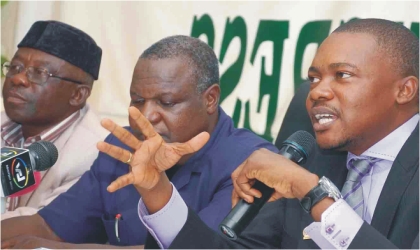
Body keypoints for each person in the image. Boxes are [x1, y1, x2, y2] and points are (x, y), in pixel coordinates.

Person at [64, 18, 417, 249]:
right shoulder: (313, 157)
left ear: (405, 90)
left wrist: (314, 195)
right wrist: (158, 191)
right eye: (313, 78)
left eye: (341, 75)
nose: (318, 91)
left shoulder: (305, 178)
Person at [0, 35, 279, 248]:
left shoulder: (253, 163)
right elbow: (48, 226)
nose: (146, 117)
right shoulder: (122, 146)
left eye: (166, 103)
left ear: (210, 99)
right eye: (137, 100)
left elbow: (197, 247)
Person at [1, 20, 108, 219]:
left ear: (77, 95)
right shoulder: (5, 125)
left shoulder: (96, 154)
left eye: (40, 73)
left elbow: (41, 224)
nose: (18, 79)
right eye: (16, 67)